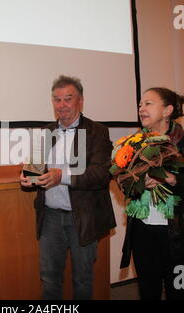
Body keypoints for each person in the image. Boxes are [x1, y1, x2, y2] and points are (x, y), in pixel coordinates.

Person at [20, 75, 116, 300]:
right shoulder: (45, 131)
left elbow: (100, 175)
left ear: (80, 101)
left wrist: (61, 175)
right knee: (49, 278)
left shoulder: (97, 132)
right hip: (50, 218)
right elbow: (34, 169)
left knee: (82, 279)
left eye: (67, 99)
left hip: (82, 217)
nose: (61, 105)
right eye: (56, 99)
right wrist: (26, 176)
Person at [120, 87, 184, 300]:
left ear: (167, 110)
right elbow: (123, 184)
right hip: (143, 232)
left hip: (178, 234)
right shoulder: (133, 144)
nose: (141, 109)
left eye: (148, 103)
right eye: (140, 105)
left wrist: (171, 179)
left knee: (178, 290)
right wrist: (136, 181)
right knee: (148, 290)